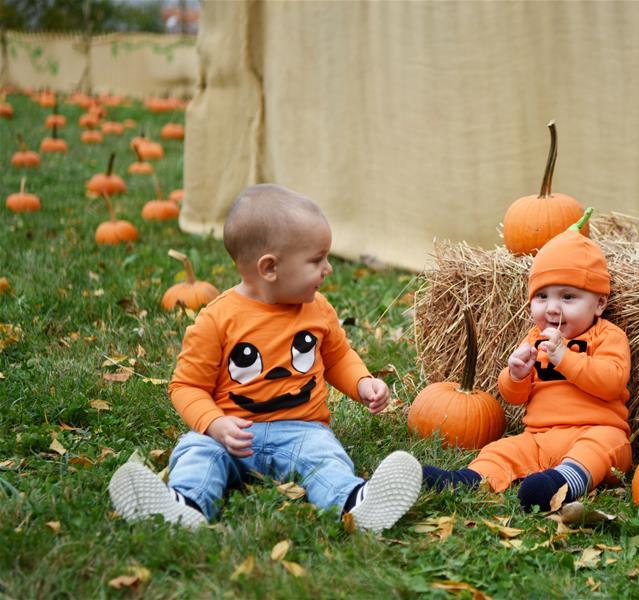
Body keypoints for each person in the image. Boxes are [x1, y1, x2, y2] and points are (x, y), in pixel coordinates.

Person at [108, 184, 422, 531]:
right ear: (270, 268)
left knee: (324, 456)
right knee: (198, 451)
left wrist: (362, 383)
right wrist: (214, 424)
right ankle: (185, 506)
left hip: (302, 431)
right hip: (232, 432)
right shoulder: (216, 320)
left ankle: (353, 503)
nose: (328, 268)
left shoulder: (317, 310)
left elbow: (338, 358)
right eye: (317, 260)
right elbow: (186, 386)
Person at [423, 212, 632, 511]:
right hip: (539, 437)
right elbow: (515, 397)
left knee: (601, 447)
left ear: (599, 304)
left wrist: (565, 358)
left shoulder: (607, 335)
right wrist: (516, 374)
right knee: (503, 448)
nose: (552, 308)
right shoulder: (535, 338)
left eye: (568, 297)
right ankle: (468, 479)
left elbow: (611, 382)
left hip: (595, 430)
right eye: (542, 297)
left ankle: (565, 481)